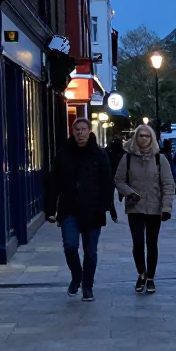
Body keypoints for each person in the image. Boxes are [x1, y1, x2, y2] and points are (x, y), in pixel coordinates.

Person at [45, 117, 116, 301]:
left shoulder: (99, 155)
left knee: (90, 251)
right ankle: (77, 275)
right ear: (72, 132)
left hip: (93, 209)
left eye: (83, 129)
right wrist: (50, 209)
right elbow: (54, 183)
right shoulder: (63, 154)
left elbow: (107, 183)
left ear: (89, 131)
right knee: (70, 246)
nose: (80, 133)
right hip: (69, 208)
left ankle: (87, 285)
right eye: (77, 129)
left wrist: (105, 206)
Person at [114, 123, 175, 294]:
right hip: (135, 206)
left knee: (152, 243)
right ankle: (141, 272)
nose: (143, 139)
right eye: (140, 136)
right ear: (136, 138)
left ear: (152, 138)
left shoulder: (159, 159)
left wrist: (167, 207)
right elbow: (119, 180)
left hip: (155, 207)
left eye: (147, 136)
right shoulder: (127, 159)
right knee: (138, 243)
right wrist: (129, 193)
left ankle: (151, 278)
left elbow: (168, 184)